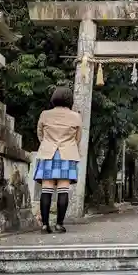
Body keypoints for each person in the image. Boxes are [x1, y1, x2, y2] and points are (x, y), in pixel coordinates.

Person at [34, 87, 82, 234]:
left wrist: (48, 143)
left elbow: (40, 134)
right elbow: (78, 138)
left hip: (48, 153)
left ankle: (45, 225)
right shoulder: (75, 116)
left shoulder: (45, 114)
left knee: (46, 189)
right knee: (63, 190)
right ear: (69, 100)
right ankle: (59, 224)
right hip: (67, 154)